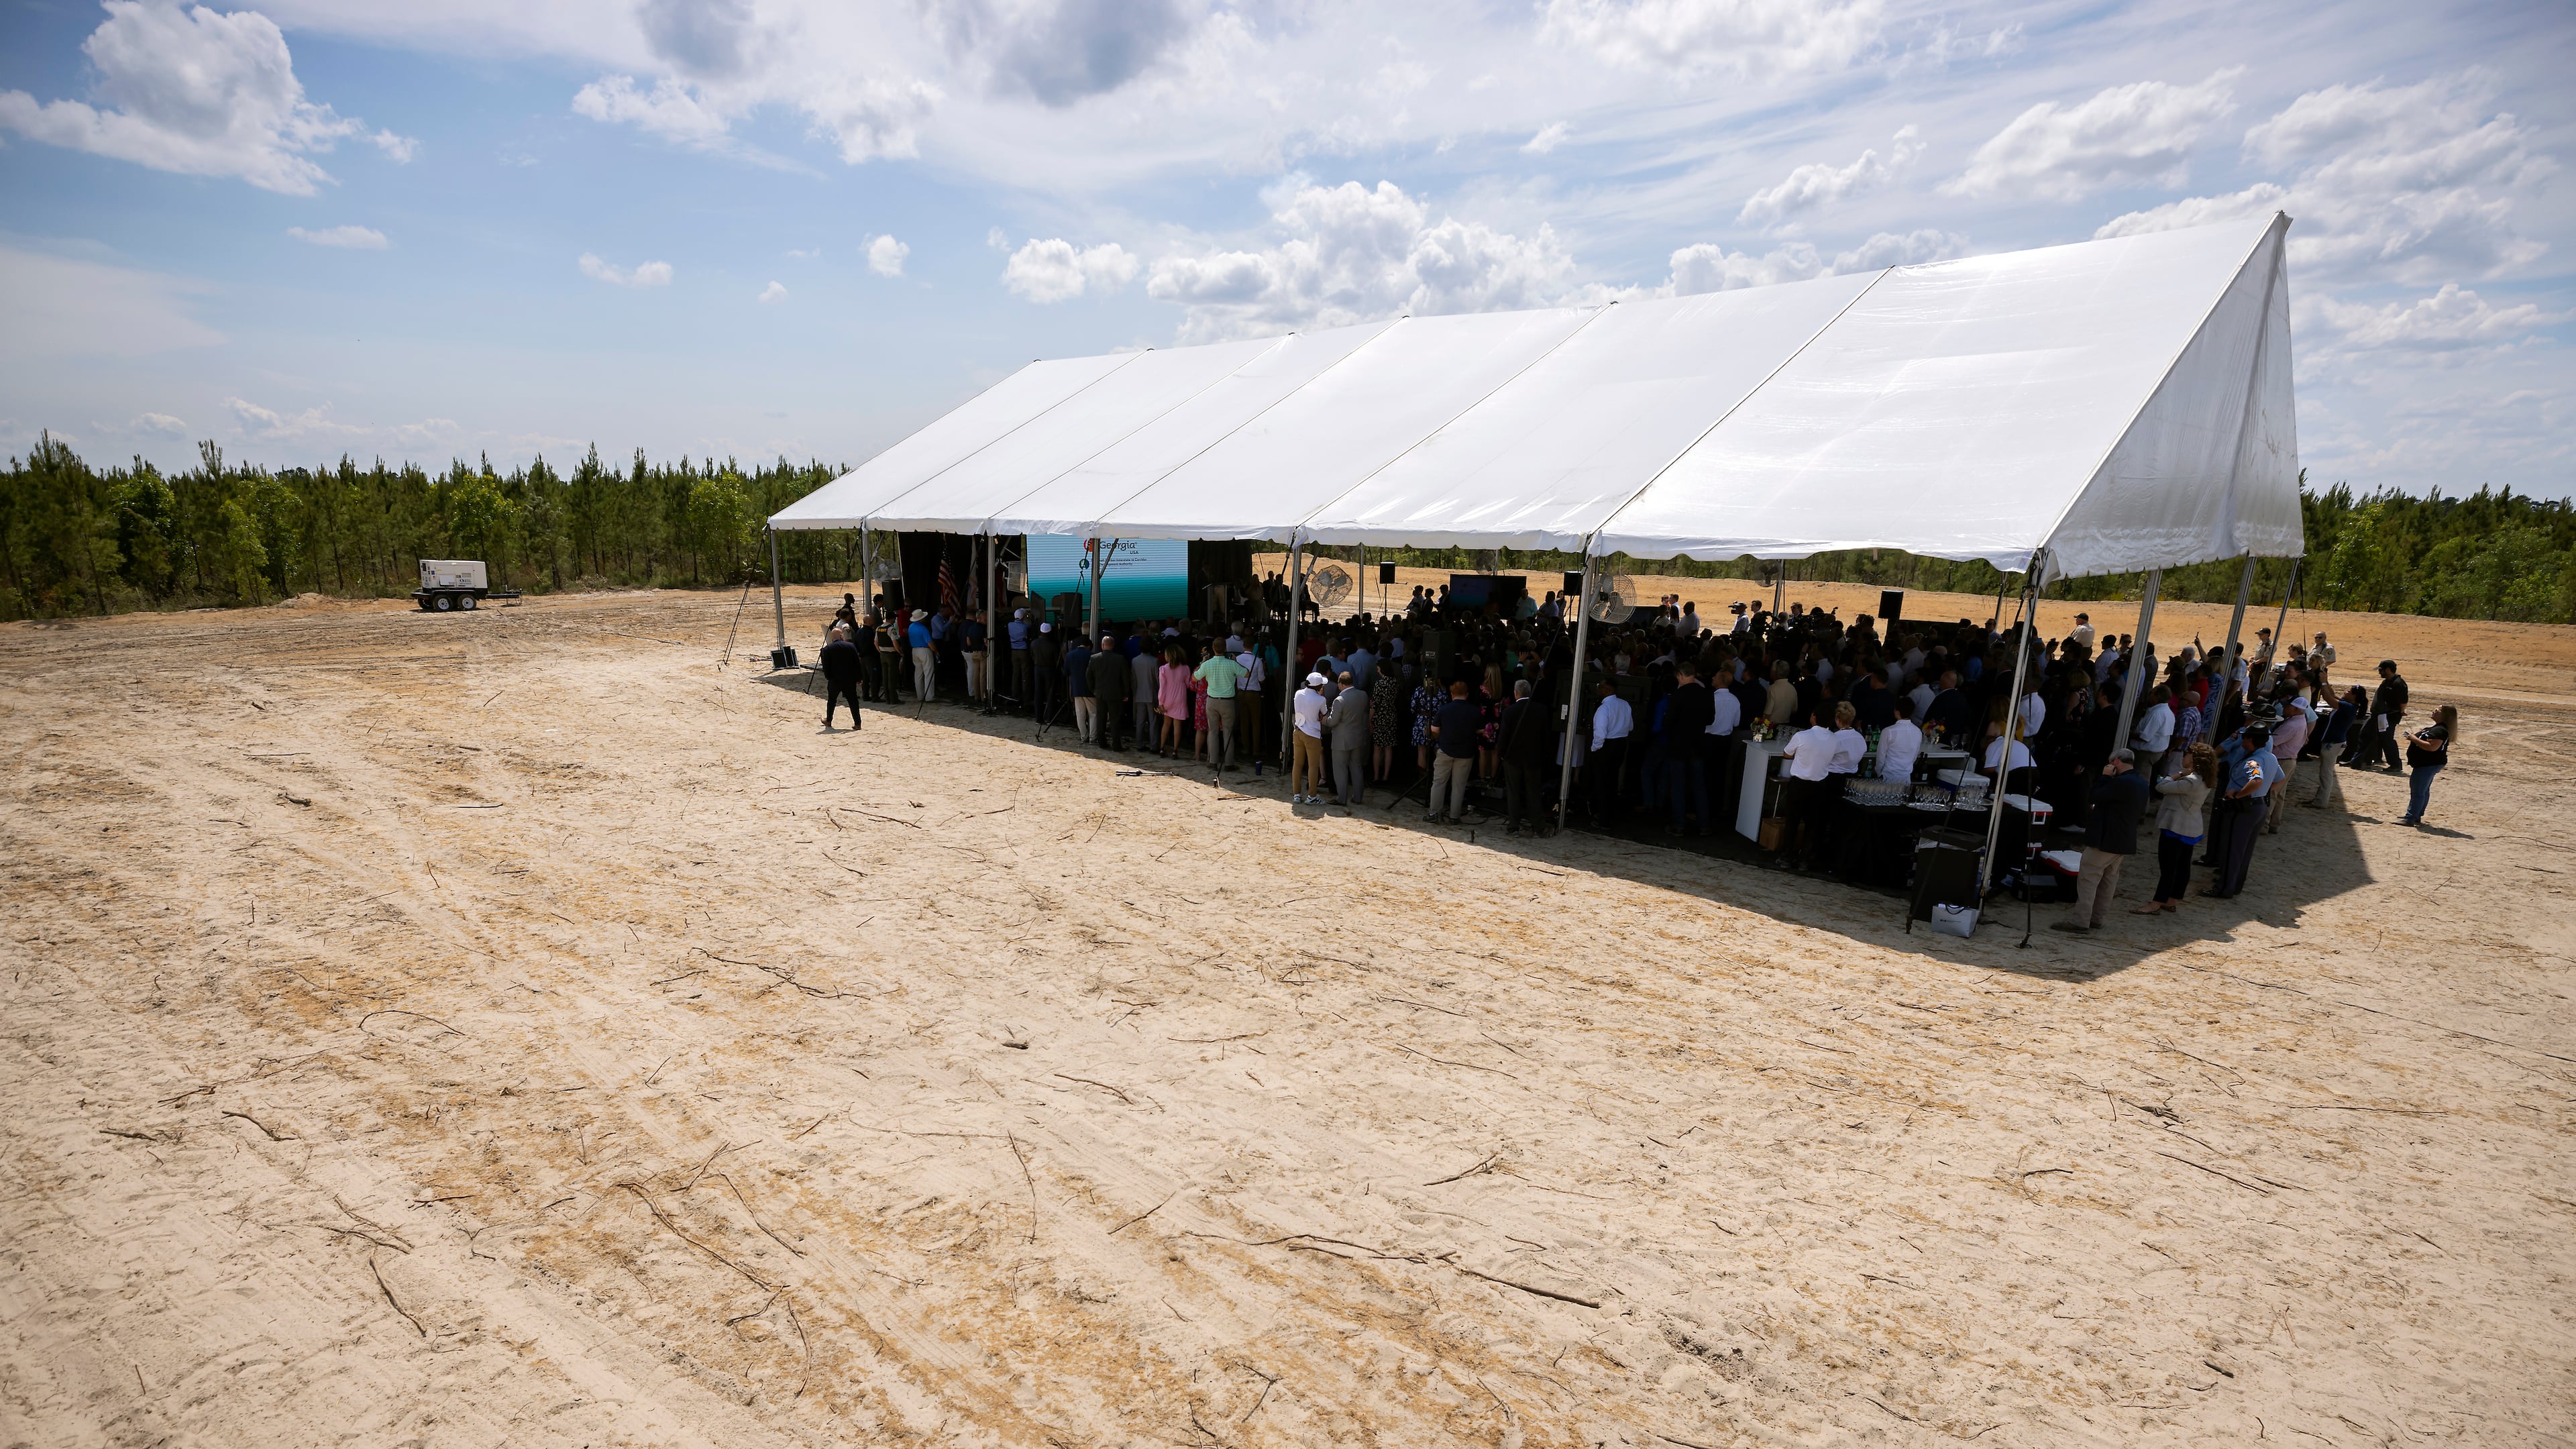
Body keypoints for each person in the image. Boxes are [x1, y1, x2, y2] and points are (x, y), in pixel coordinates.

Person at [2052, 748, 2147, 933]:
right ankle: (2097, 919)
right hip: (2123, 840)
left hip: (2106, 839)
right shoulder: (2141, 782)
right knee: (2109, 881)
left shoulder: (2120, 782)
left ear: (2117, 762)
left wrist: (2104, 777)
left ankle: (2080, 921)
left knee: (2089, 878)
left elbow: (2094, 795)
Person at [2137, 742, 2217, 914]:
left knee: (2168, 867)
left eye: (2187, 754)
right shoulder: (2204, 778)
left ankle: (2156, 903)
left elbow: (2161, 787)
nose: (2184, 757)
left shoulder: (2190, 780)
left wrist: (2177, 774)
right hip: (2190, 826)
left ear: (2195, 759)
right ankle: (2172, 900)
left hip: (2176, 826)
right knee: (2182, 866)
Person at [2208, 724, 2275, 898]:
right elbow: (2279, 780)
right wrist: (2260, 793)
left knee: (2233, 850)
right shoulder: (2271, 758)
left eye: (2244, 737)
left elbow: (2257, 780)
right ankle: (2234, 886)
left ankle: (2224, 888)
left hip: (2245, 809)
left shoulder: (2254, 761)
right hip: (2258, 806)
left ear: (2249, 739)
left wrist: (2239, 795)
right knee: (2244, 851)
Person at [1495, 679, 1554, 836]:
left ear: (1516, 694)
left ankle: (1514, 826)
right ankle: (1538, 826)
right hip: (1534, 757)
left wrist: (1501, 753)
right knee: (1533, 792)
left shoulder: (1509, 712)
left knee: (1513, 792)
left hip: (1512, 757)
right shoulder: (1541, 710)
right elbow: (1546, 737)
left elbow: (1504, 736)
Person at [1662, 659, 1716, 836]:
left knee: (1678, 785)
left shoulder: (1678, 695)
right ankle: (1704, 825)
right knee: (1699, 785)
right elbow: (1710, 720)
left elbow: (1668, 722)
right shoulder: (1707, 694)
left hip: (1679, 745)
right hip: (1698, 744)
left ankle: (1679, 824)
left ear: (1680, 675)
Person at [1428, 679, 1483, 824]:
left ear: (1452, 694)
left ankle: (1434, 813)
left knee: (1439, 782)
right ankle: (1454, 816)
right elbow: (1481, 730)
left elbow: (1434, 729)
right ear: (1467, 694)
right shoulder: (1474, 711)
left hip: (1446, 749)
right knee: (1459, 786)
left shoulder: (1444, 709)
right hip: (1466, 752)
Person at [2305, 684, 2363, 809]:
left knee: (2326, 774)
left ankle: (2321, 802)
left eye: (2348, 691)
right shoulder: (2349, 705)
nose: (2345, 692)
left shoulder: (2348, 707)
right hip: (2334, 743)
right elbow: (2332, 695)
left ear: (2354, 696)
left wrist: (2324, 684)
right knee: (2325, 773)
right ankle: (2320, 799)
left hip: (2333, 744)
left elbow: (2327, 697)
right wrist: (2325, 682)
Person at [2398, 704, 2456, 827]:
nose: (2434, 710)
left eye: (2438, 710)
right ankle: (2416, 815)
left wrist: (2413, 738)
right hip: (2426, 764)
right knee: (2423, 790)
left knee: (2418, 791)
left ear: (2445, 715)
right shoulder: (2437, 728)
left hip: (2428, 764)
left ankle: (2410, 818)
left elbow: (2432, 747)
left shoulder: (2440, 730)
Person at [1587, 676, 1633, 824]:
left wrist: (1595, 748)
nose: (1598, 689)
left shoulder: (1604, 708)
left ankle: (1604, 817)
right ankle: (1611, 814)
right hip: (1620, 744)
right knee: (1612, 780)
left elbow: (1600, 733)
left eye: (1600, 686)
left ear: (1607, 690)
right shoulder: (1625, 704)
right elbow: (1631, 726)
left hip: (1606, 746)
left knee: (1601, 782)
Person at [2263, 695, 2311, 833]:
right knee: (2279, 795)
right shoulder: (2300, 722)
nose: (2284, 708)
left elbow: (2272, 743)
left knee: (2271, 793)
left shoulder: (2292, 725)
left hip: (2282, 761)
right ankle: (2274, 824)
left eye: (2287, 706)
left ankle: (2263, 825)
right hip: (2289, 761)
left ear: (2295, 709)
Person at [1194, 644, 1244, 773]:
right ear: (1225, 651)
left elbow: (1195, 677)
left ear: (1213, 649)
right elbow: (1246, 674)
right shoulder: (1231, 664)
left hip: (1212, 700)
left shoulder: (1207, 664)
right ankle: (1229, 763)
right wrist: (1235, 662)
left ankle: (1213, 761)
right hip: (1228, 701)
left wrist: (1202, 663)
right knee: (1228, 732)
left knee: (1213, 732)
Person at [1328, 669, 1370, 806]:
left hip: (1342, 740)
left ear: (1341, 684)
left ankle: (1342, 798)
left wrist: (1323, 719)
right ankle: (1358, 797)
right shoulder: (1363, 695)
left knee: (1340, 769)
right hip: (1357, 737)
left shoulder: (1339, 700)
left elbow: (1332, 722)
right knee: (1356, 767)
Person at [2361, 659, 2410, 772]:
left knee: (2387, 740)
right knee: (2371, 736)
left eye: (2381, 670)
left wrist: (2402, 711)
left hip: (2389, 717)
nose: (2380, 673)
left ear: (2388, 670)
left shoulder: (2398, 683)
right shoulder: (2387, 682)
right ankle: (2367, 760)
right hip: (2380, 716)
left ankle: (2395, 765)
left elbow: (2403, 701)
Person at [1290, 672, 1330, 804]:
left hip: (1298, 731)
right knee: (1313, 766)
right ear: (1318, 686)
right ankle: (1312, 796)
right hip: (1312, 734)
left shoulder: (1298, 694)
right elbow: (1324, 714)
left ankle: (1297, 794)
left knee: (1297, 764)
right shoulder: (1321, 699)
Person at [1087, 633, 1130, 748]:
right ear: (1113, 645)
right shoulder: (1120, 659)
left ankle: (1102, 742)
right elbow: (1125, 677)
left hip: (1100, 693)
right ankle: (1116, 744)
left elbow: (1088, 676)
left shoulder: (1094, 658)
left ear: (1102, 645)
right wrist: (1126, 693)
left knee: (1101, 719)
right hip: (1116, 694)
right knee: (1115, 720)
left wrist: (1093, 689)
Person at [820, 625, 864, 731]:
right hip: (849, 679)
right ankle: (857, 723)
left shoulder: (827, 649)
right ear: (841, 636)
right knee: (853, 701)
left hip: (835, 679)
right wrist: (859, 677)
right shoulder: (851, 646)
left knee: (832, 700)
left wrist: (828, 677)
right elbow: (857, 664)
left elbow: (826, 666)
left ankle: (829, 720)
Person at [1156, 646, 1191, 757]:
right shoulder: (1186, 668)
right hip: (1180, 698)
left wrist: (1160, 702)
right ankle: (1175, 750)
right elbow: (1188, 685)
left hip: (1167, 698)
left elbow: (1162, 687)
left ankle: (1162, 748)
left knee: (1166, 724)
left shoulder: (1163, 669)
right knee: (1177, 726)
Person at [1878, 697, 1923, 781]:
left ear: (1897, 711)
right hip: (1906, 776)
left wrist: (1879, 772)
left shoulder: (1888, 731)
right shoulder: (1918, 732)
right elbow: (1914, 757)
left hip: (1888, 776)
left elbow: (1881, 757)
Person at [1063, 632, 1095, 741]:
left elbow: (1066, 673)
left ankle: (1083, 736)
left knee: (1080, 714)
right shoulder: (1092, 656)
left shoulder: (1069, 655)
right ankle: (1093, 737)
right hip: (1089, 689)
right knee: (1093, 713)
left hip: (1076, 687)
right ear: (1089, 646)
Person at [1130, 640, 1160, 751]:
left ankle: (1140, 744)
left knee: (1140, 721)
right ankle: (1154, 745)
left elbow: (1133, 679)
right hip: (1152, 694)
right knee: (1153, 721)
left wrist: (1134, 692)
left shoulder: (1135, 661)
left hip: (1139, 694)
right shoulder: (1155, 661)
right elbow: (1158, 679)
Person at [907, 609, 937, 702]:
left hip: (915, 650)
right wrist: (936, 651)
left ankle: (920, 696)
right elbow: (930, 642)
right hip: (924, 650)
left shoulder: (911, 627)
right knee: (929, 673)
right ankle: (929, 696)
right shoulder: (923, 629)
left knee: (918, 674)